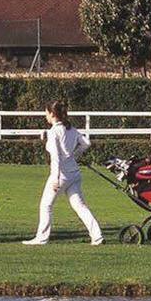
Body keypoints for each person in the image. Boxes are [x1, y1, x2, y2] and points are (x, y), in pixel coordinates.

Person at [25, 102, 105, 246]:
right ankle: (97, 236)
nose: (45, 116)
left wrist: (55, 178)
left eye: (46, 113)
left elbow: (55, 157)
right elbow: (86, 143)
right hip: (74, 173)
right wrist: (74, 155)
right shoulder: (71, 129)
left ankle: (41, 238)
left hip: (61, 175)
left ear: (52, 114)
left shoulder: (54, 132)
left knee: (46, 205)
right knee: (80, 206)